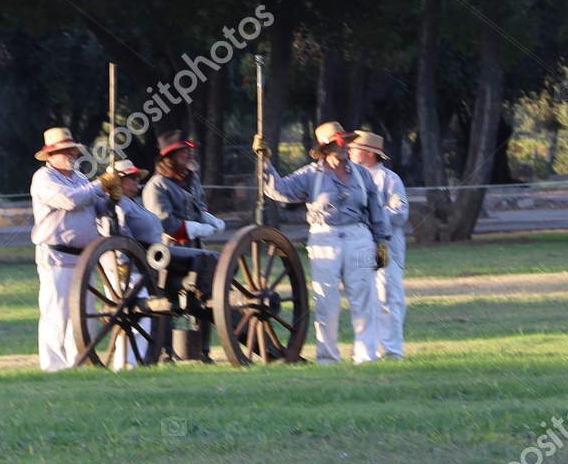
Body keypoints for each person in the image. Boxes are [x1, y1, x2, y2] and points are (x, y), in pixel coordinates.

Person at [253, 121, 390, 363]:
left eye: (345, 144)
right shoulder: (309, 175)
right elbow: (279, 189)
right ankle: (327, 356)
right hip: (324, 237)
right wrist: (265, 162)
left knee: (364, 297)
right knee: (326, 300)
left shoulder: (362, 174)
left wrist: (381, 243)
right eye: (338, 145)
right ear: (325, 149)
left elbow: (376, 211)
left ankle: (366, 355)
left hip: (358, 237)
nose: (344, 148)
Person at [30, 126, 110, 370]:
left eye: (72, 150)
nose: (71, 155)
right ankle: (54, 366)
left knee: (83, 314)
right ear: (50, 155)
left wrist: (112, 193)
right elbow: (69, 200)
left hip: (84, 257)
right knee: (57, 314)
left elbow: (97, 206)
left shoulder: (80, 179)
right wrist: (100, 184)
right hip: (56, 255)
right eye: (65, 151)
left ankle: (80, 361)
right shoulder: (43, 179)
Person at [142, 129, 225, 359]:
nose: (189, 156)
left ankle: (201, 351)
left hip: (195, 248)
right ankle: (168, 351)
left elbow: (201, 206)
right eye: (183, 153)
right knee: (169, 299)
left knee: (205, 295)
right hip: (168, 251)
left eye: (189, 151)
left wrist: (209, 219)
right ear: (169, 158)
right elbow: (164, 223)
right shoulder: (157, 186)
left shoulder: (192, 178)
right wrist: (194, 227)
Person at [351, 129, 408, 358]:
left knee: (387, 295)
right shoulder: (351, 178)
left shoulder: (389, 179)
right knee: (364, 296)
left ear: (368, 153)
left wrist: (370, 217)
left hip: (384, 246)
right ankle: (368, 350)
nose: (350, 152)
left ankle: (392, 349)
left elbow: (399, 212)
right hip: (359, 245)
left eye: (354, 149)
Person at [101, 158, 162, 368]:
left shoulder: (130, 202)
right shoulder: (117, 204)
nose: (137, 182)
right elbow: (118, 234)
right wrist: (123, 262)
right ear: (119, 181)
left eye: (137, 178)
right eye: (132, 178)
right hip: (128, 269)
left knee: (140, 318)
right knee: (139, 316)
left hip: (140, 267)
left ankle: (131, 362)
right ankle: (128, 363)